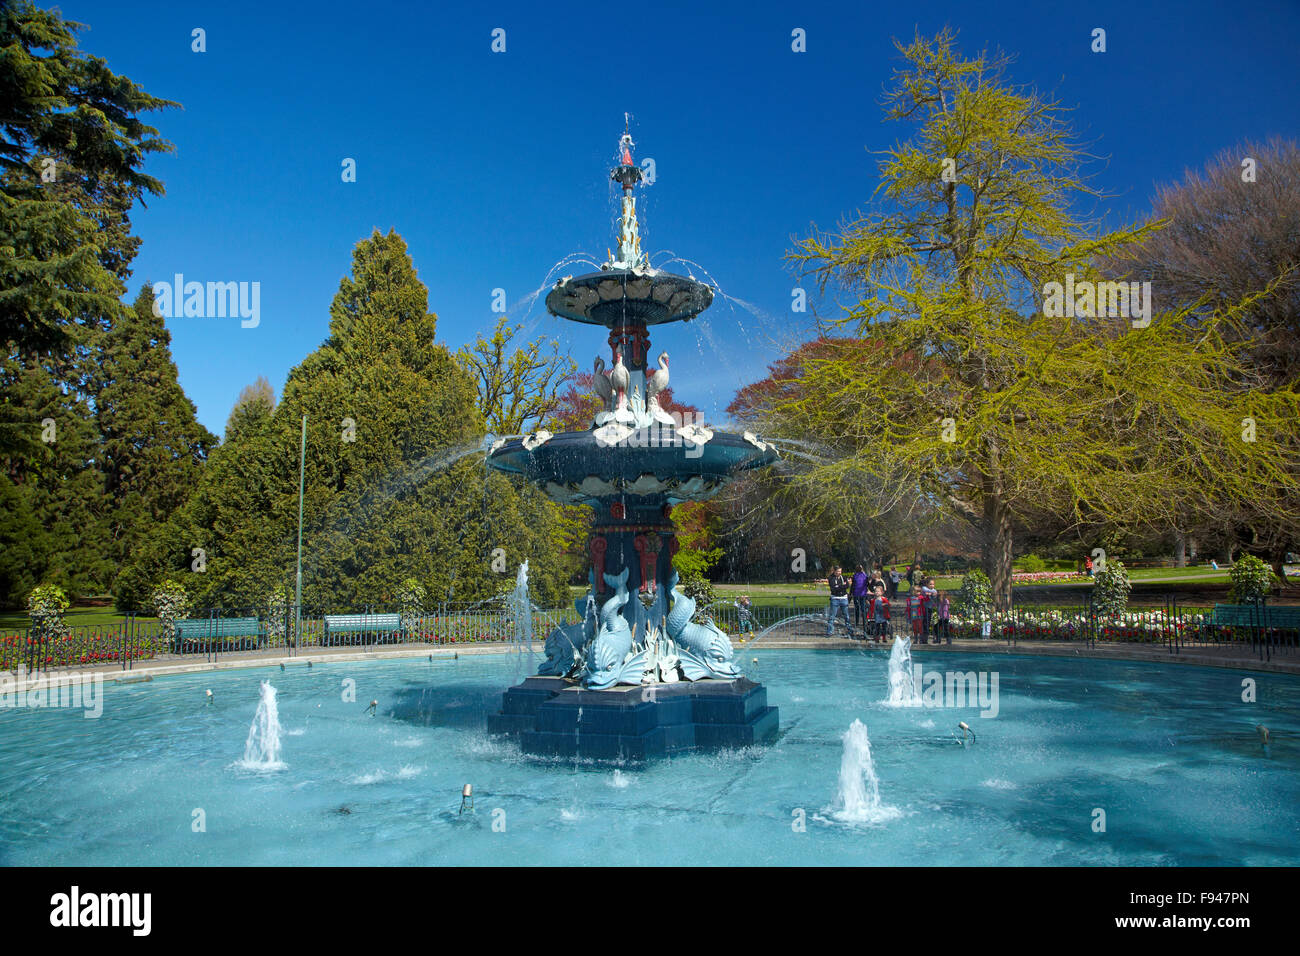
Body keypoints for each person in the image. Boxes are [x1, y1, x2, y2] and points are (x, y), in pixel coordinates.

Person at [826, 566, 851, 637]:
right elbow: (833, 589)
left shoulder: (844, 577)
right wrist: (841, 586)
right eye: (837, 571)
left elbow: (847, 586)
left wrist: (838, 586)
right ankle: (829, 631)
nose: (839, 573)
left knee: (846, 616)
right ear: (834, 571)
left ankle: (849, 630)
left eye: (840, 571)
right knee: (832, 616)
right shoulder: (831, 578)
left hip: (844, 598)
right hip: (835, 599)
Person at [850, 565, 870, 630]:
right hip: (863, 593)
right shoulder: (865, 575)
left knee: (857, 608)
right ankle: (864, 622)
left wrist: (850, 593)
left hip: (856, 594)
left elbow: (853, 585)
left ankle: (857, 622)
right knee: (863, 609)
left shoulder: (855, 576)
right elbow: (867, 584)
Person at [920, 576, 939, 642]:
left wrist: (931, 593)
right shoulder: (924, 588)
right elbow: (925, 590)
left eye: (933, 584)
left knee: (928, 621)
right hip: (924, 608)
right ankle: (924, 637)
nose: (932, 586)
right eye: (930, 584)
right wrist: (931, 593)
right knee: (925, 622)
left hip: (930, 608)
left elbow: (935, 593)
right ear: (926, 584)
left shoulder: (933, 590)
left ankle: (925, 637)